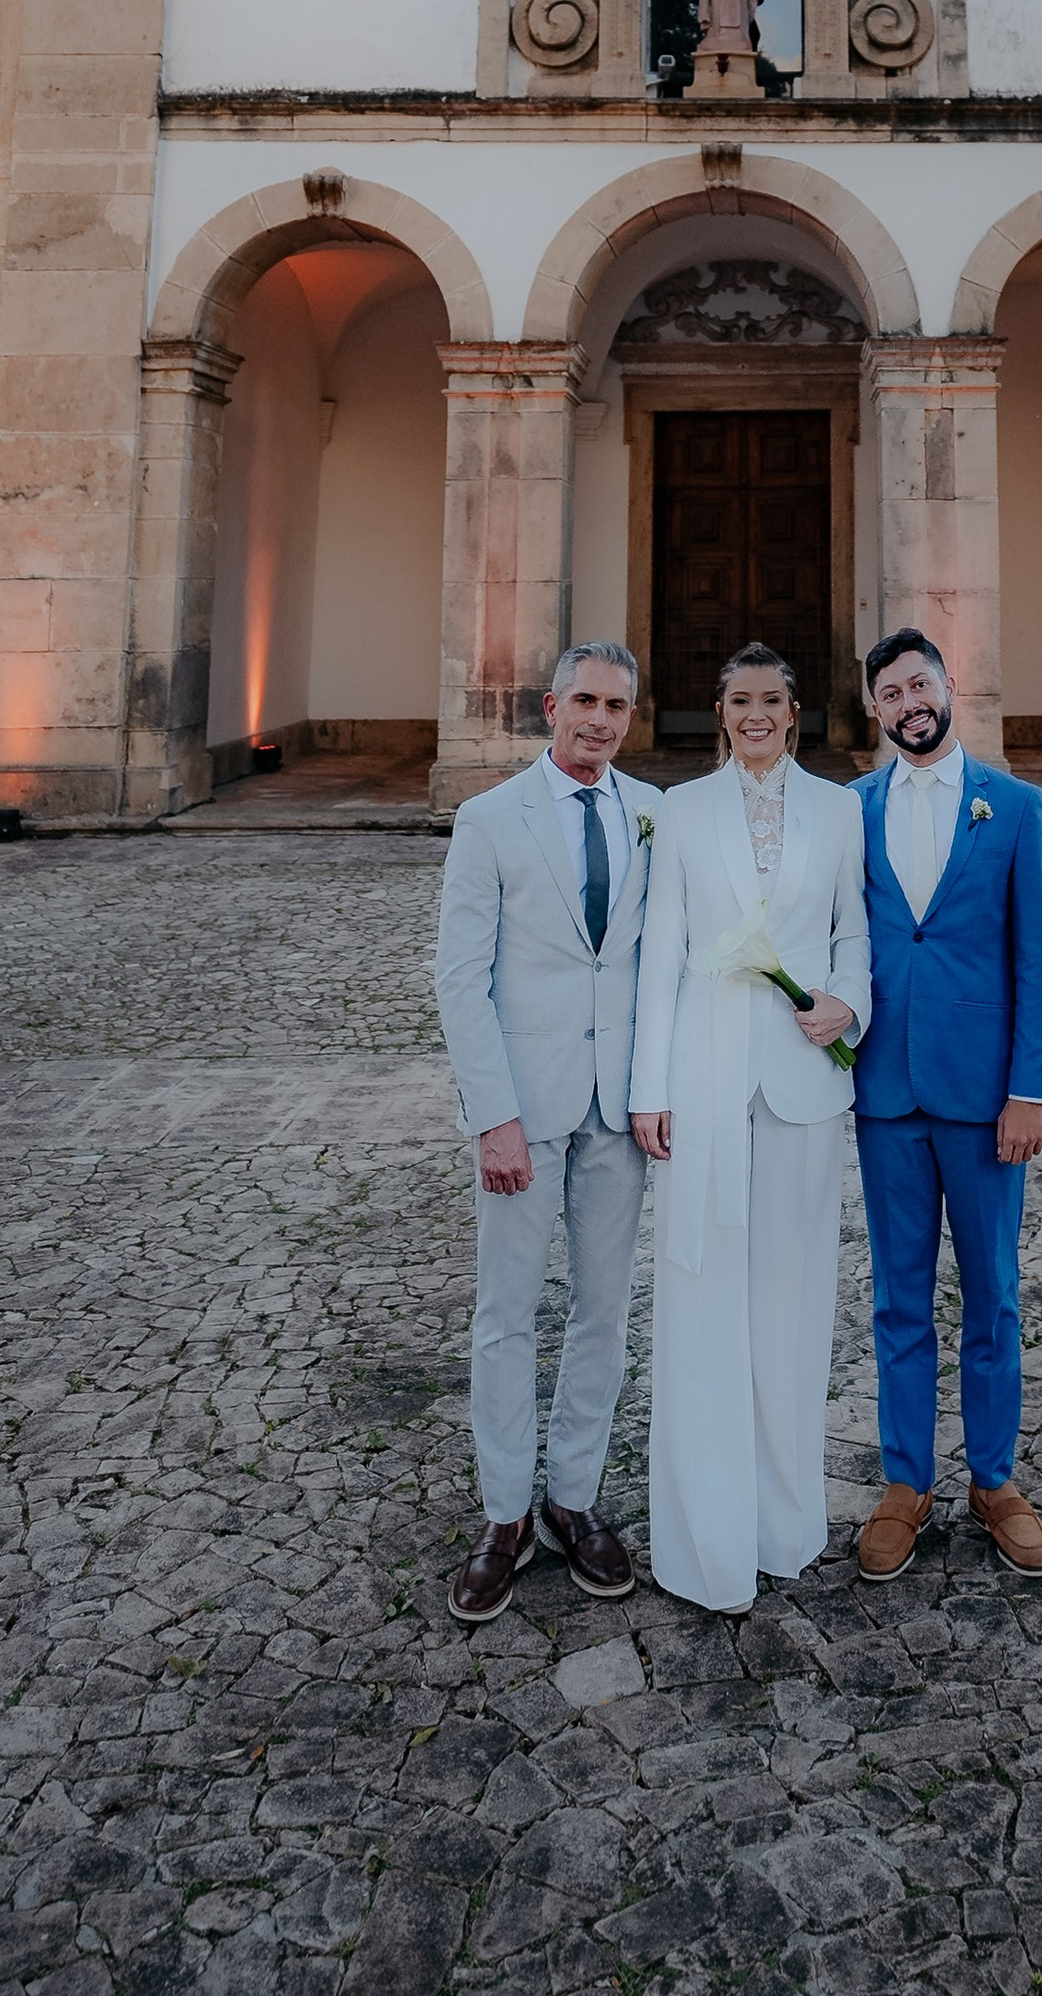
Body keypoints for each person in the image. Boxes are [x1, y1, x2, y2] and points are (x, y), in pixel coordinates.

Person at [627, 643, 871, 1612]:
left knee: (794, 1302)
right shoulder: (678, 811)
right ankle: (706, 1528)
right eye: (740, 700)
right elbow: (658, 960)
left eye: (773, 698)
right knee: (702, 1299)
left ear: (794, 710)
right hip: (705, 1077)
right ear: (720, 712)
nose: (757, 713)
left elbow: (854, 930)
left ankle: (784, 1519)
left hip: (804, 1082)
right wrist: (652, 1088)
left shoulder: (840, 809)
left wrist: (844, 1003)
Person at [431, 641, 656, 1625]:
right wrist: (494, 1117)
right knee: (506, 1313)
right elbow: (459, 978)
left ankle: (573, 1498)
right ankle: (504, 1516)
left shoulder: (653, 813)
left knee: (602, 1315)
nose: (599, 720)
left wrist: (657, 1088)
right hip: (523, 1109)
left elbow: (661, 962)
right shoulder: (489, 820)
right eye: (585, 701)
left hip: (617, 1111)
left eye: (616, 705)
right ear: (549, 704)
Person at [849, 625, 1042, 1580]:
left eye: (920, 682)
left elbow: (1038, 959)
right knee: (898, 1300)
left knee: (993, 1297)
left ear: (948, 686)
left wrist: (1028, 1091)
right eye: (890, 692)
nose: (909, 702)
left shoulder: (1013, 808)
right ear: (875, 710)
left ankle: (995, 1479)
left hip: (984, 1102)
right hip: (886, 1092)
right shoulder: (847, 809)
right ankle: (905, 1482)